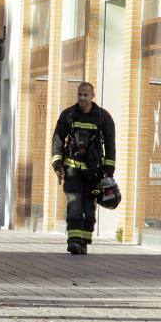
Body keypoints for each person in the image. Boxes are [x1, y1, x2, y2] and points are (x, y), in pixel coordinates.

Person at [51, 82, 116, 255]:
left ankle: (84, 241)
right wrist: (57, 164)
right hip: (73, 170)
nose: (82, 98)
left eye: (85, 95)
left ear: (93, 95)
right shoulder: (68, 115)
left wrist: (109, 171)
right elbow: (57, 140)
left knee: (88, 207)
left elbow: (110, 145)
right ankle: (73, 241)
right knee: (74, 204)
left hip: (94, 172)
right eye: (80, 95)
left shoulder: (103, 117)